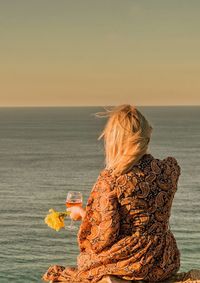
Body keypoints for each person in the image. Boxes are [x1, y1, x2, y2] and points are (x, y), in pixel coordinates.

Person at [42, 104, 181, 282]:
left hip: (130, 259)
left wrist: (83, 215)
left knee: (76, 267)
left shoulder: (111, 180)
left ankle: (113, 278)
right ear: (146, 136)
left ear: (114, 140)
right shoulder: (168, 169)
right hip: (164, 258)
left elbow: (103, 235)